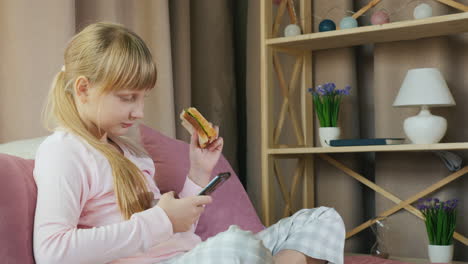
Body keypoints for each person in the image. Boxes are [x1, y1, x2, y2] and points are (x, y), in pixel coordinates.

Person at [33, 22, 345, 264]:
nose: (139, 112)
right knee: (237, 245)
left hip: (187, 255)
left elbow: (179, 234)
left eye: (143, 98)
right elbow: (52, 251)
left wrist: (198, 172)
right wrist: (161, 219)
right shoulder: (64, 151)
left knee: (322, 219)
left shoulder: (128, 152)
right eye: (128, 98)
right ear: (84, 88)